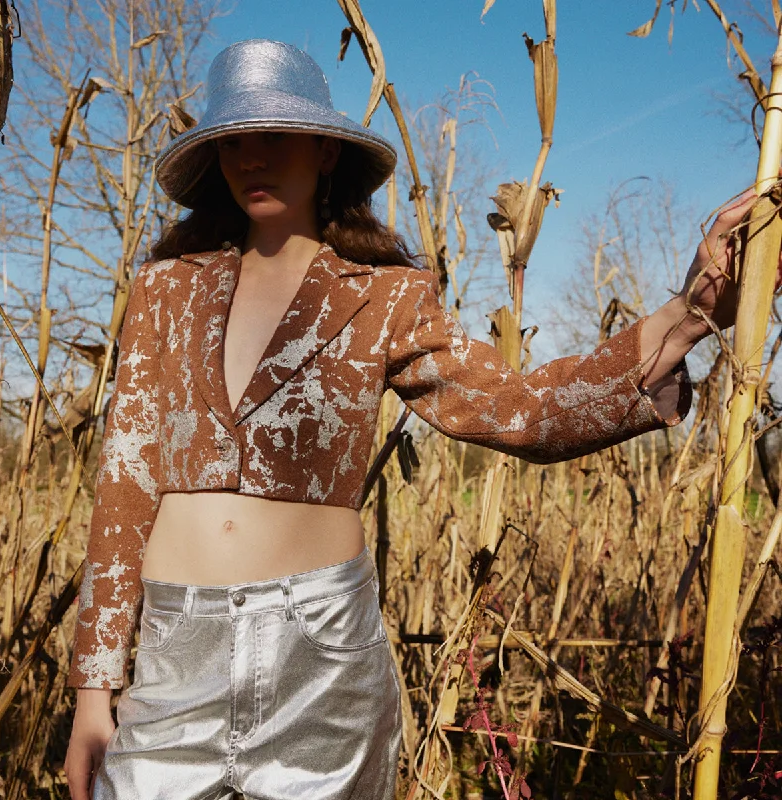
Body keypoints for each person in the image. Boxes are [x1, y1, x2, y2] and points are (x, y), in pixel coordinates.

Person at [63, 38, 755, 800]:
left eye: (276, 135)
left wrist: (688, 315)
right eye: (234, 140)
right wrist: (93, 690)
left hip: (319, 661)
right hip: (173, 662)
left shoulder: (386, 296)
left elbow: (520, 411)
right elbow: (123, 489)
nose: (252, 157)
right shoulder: (163, 292)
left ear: (326, 150)